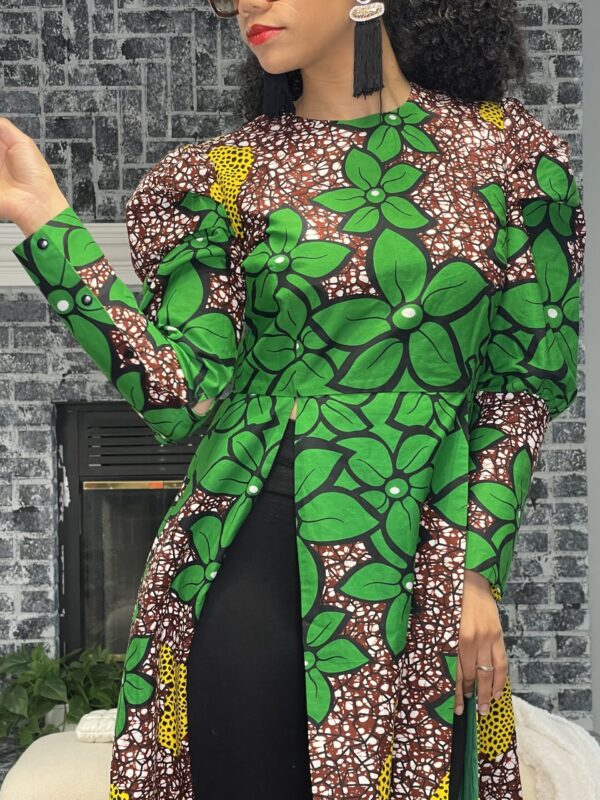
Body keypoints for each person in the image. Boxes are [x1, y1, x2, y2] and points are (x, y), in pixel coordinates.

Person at [0, 0, 586, 798]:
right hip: (246, 549)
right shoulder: (219, 175)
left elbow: (519, 385)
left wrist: (476, 566)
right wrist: (44, 218)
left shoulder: (513, 158)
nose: (247, 4)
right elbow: (179, 394)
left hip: (424, 547)